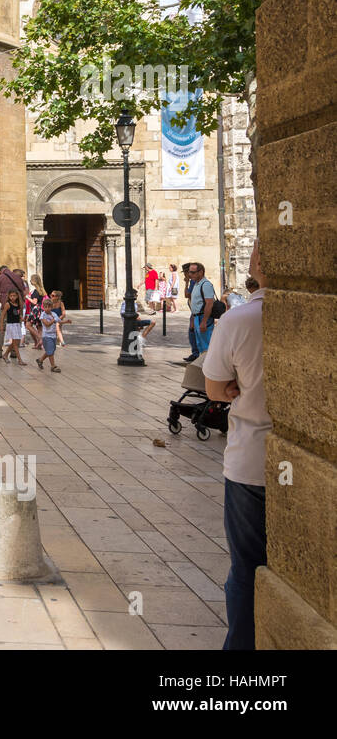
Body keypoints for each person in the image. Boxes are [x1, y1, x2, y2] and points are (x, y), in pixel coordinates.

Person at [202, 244, 269, 651]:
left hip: (252, 463)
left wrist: (236, 386)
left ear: (260, 262)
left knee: (247, 567)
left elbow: (214, 389)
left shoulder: (240, 319)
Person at [187, 261, 218, 358]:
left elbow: (209, 303)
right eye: (189, 272)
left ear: (200, 272)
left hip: (203, 317)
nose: (190, 274)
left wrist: (204, 321)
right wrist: (193, 318)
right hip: (197, 317)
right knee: (200, 344)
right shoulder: (197, 284)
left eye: (192, 272)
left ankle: (209, 367)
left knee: (206, 345)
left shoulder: (206, 284)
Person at [35, 305, 70, 372]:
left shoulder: (54, 314)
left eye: (49, 307)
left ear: (51, 307)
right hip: (46, 336)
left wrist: (66, 321)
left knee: (51, 350)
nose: (47, 308)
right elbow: (47, 324)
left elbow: (59, 321)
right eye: (46, 307)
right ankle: (53, 366)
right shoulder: (43, 315)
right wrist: (53, 319)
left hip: (53, 335)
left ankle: (40, 360)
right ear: (43, 307)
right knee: (50, 351)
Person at [1, 288, 27, 365]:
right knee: (15, 344)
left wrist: (21, 317)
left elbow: (17, 314)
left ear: (17, 296)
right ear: (8, 296)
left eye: (14, 296)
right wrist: (2, 325)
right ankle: (20, 360)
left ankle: (5, 355)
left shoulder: (18, 305)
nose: (12, 297)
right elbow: (3, 315)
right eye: (11, 296)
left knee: (15, 342)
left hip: (17, 325)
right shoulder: (7, 304)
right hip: (11, 325)